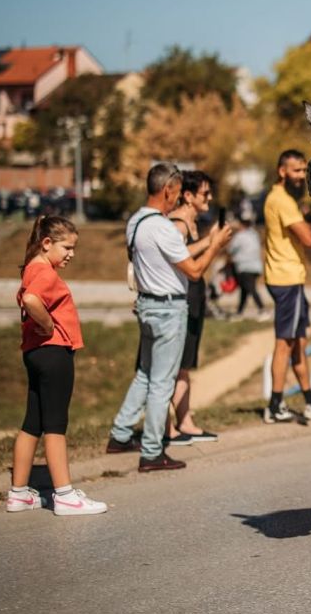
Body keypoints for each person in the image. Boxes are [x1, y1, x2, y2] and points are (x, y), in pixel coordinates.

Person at [107, 163, 232, 472]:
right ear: (168, 190)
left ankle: (121, 433)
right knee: (162, 382)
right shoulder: (163, 226)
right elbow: (194, 270)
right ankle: (152, 451)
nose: (177, 198)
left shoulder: (137, 222)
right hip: (168, 309)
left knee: (146, 374)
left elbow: (172, 255)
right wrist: (215, 245)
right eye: (176, 192)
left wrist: (207, 241)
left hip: (147, 305)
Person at [7, 216, 106, 515]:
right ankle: (64, 495)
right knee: (55, 425)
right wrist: (49, 325)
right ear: (46, 243)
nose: (71, 254)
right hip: (53, 353)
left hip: (35, 353)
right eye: (67, 247)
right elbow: (33, 299)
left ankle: (19, 493)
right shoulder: (44, 273)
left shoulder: (30, 269)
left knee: (32, 423)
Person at [263, 150, 311, 424]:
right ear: (282, 171)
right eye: (296, 171)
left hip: (289, 278)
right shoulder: (283, 200)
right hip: (286, 279)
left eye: (303, 170)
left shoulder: (282, 199)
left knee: (299, 342)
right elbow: (308, 239)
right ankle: (275, 404)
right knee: (285, 343)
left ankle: (310, 400)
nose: (301, 175)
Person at [166, 170, 221, 448]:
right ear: (188, 196)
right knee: (171, 365)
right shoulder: (177, 224)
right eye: (205, 193)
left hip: (195, 298)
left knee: (185, 365)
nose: (209, 197)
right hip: (181, 299)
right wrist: (212, 243)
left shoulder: (194, 224)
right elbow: (184, 260)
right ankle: (167, 428)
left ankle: (184, 421)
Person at [228, 213, 265, 316]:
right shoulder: (255, 234)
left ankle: (262, 309)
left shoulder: (239, 236)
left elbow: (230, 249)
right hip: (256, 267)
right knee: (245, 289)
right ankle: (239, 312)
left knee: (251, 289)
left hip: (244, 267)